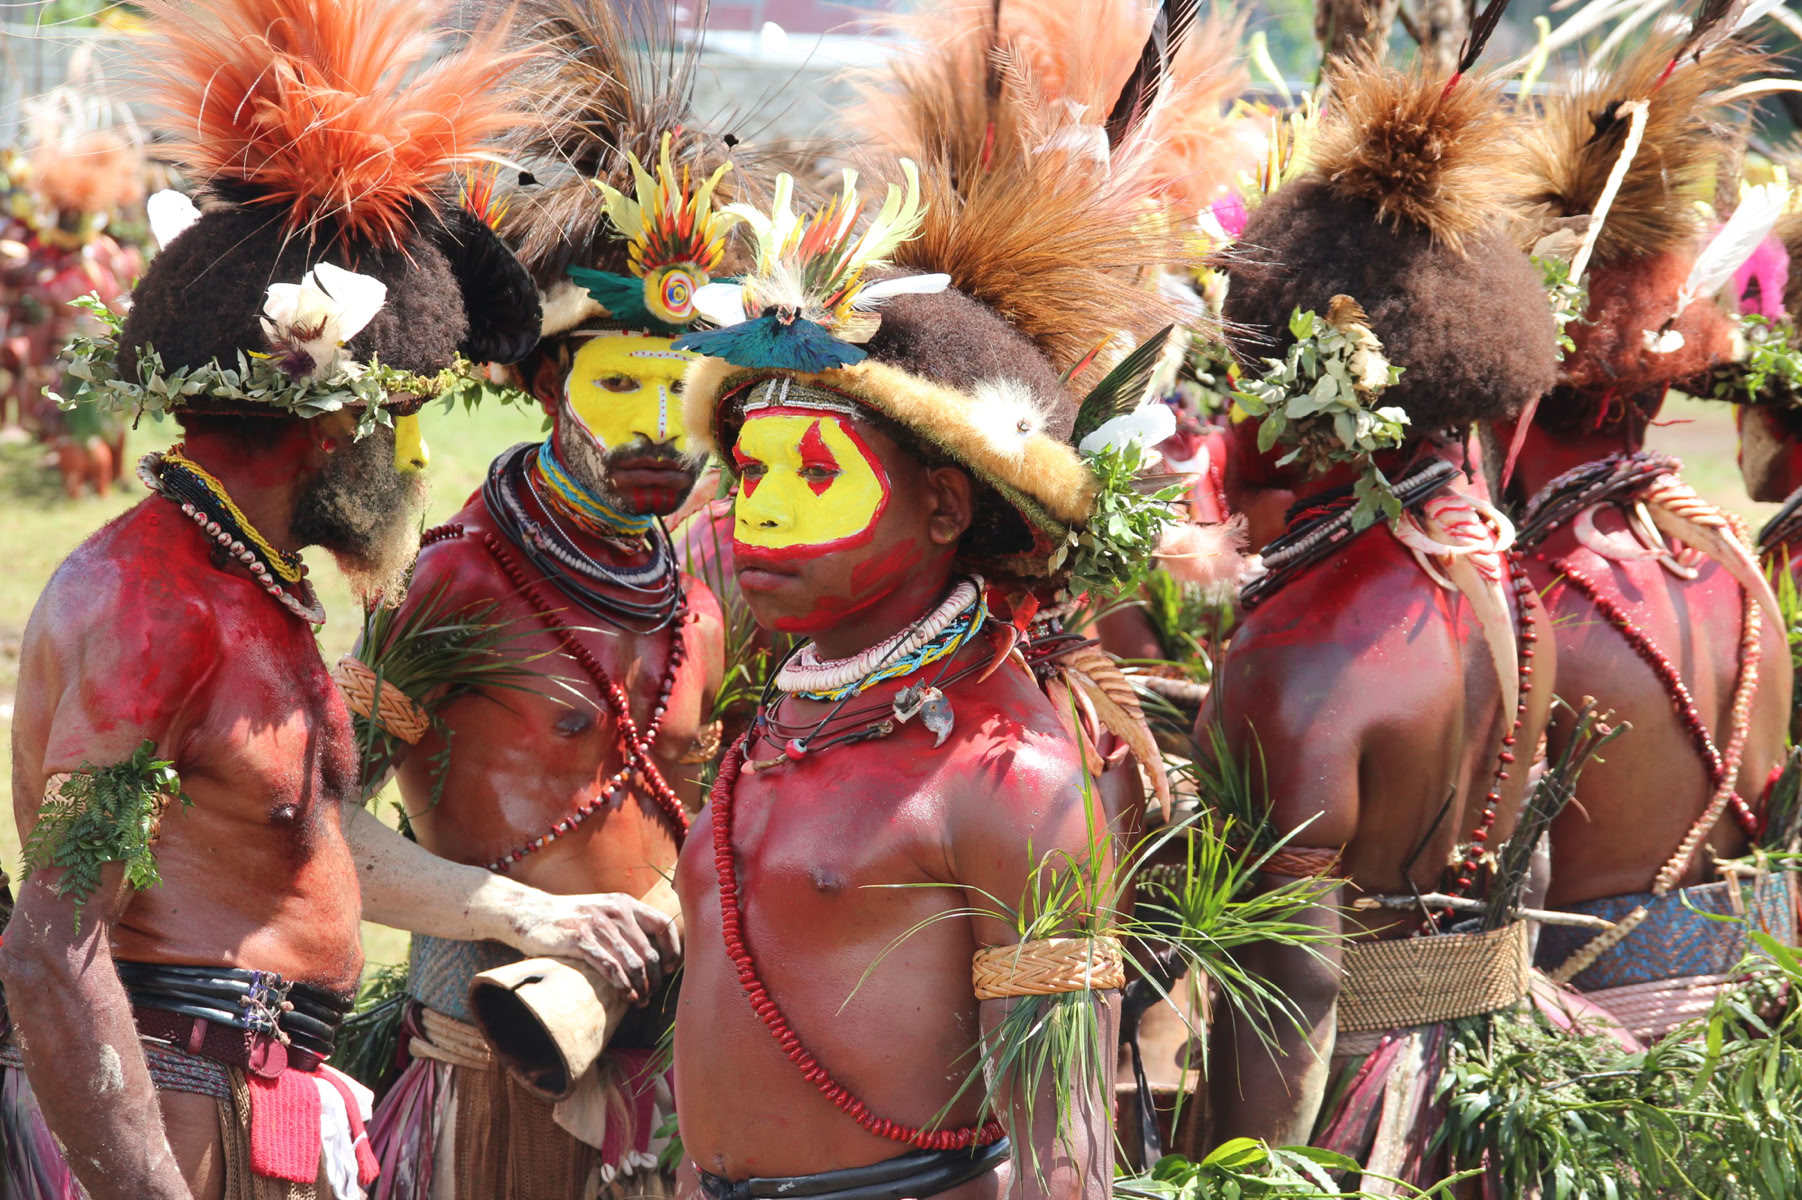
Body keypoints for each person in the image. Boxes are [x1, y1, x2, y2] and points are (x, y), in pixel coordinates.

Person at [0, 0, 542, 1195]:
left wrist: (520, 912)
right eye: (400, 424)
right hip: (185, 1110)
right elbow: (52, 945)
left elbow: (287, 843)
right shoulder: (157, 605)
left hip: (254, 1099)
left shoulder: (243, 581)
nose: (410, 469)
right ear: (335, 416)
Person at [666, 6, 1190, 1194]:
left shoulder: (1013, 783)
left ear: (946, 510)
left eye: (815, 477)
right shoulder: (782, 718)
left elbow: (1065, 1155)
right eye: (750, 474)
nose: (762, 517)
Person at [355, 3, 741, 1194]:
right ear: (541, 386)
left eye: (681, 386)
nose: (657, 426)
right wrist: (519, 919)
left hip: (668, 1078)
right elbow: (315, 825)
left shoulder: (701, 602)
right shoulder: (456, 585)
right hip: (487, 1069)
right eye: (622, 382)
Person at [1198, 55, 1561, 1184]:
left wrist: (1226, 1173)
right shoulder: (1492, 575)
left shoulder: (1301, 653)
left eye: (1242, 381)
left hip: (1352, 1121)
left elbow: (1289, 986)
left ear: (1302, 394)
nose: (1231, 411)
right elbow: (1526, 865)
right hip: (1478, 1094)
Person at [1500, 37, 1796, 1042]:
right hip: (1754, 1050)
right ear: (1661, 388)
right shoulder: (1736, 567)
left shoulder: (1529, 601)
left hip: (1597, 1065)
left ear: (1512, 401)